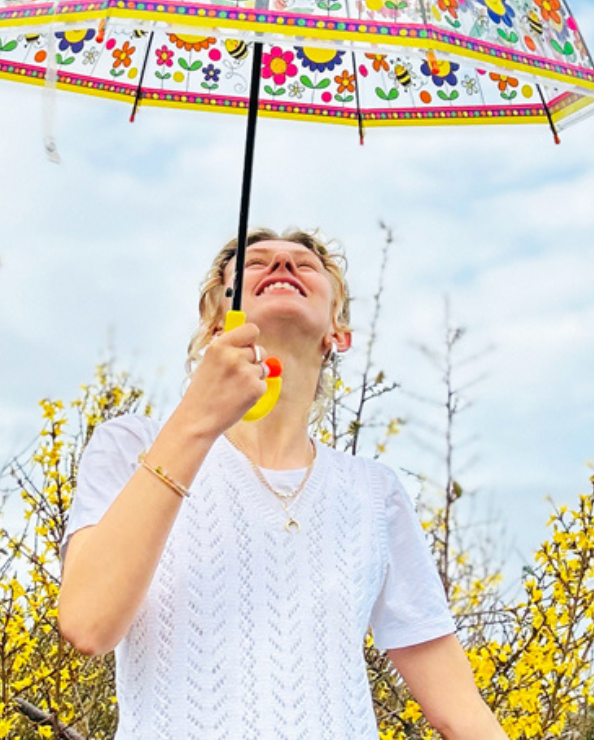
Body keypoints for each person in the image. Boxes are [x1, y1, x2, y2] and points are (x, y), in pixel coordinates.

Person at [58, 228, 508, 740]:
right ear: (213, 323)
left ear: (337, 332)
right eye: (257, 264)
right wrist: (196, 421)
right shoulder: (131, 446)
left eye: (305, 265)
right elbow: (87, 624)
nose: (284, 267)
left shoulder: (373, 493)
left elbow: (461, 712)